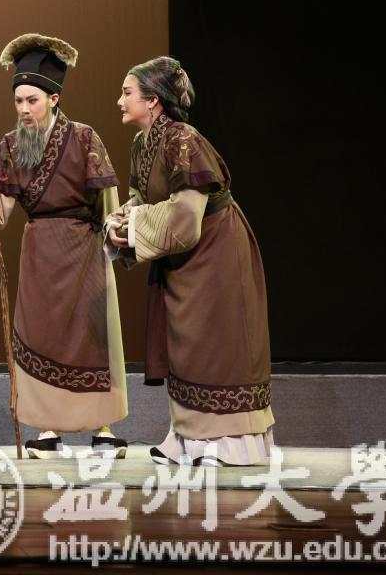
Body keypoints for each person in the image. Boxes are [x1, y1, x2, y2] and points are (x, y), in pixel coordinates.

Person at [108, 56, 272, 466]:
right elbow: (141, 201)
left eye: (127, 93)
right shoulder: (142, 143)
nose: (120, 101)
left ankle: (230, 444)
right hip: (182, 255)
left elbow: (185, 214)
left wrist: (135, 225)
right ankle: (185, 438)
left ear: (153, 100)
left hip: (216, 250)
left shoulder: (183, 139)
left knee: (216, 343)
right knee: (184, 342)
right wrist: (118, 222)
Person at [0, 34, 128, 459]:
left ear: (54, 99)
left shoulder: (84, 138)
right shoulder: (9, 145)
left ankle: (103, 427)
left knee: (91, 336)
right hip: (39, 250)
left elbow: (107, 201)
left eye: (32, 101)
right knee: (41, 336)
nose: (24, 109)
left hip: (84, 246)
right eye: (18, 101)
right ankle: (46, 429)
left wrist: (113, 243)